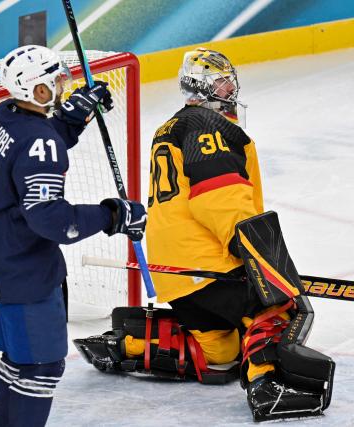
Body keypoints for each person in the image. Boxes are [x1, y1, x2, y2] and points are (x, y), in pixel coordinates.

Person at [74, 48, 334, 422]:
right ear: (204, 86)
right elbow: (219, 197)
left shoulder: (171, 126)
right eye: (224, 82)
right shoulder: (208, 126)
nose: (232, 89)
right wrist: (252, 251)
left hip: (174, 272)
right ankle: (269, 387)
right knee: (278, 308)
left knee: (221, 354)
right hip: (207, 261)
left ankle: (129, 345)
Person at [0, 45, 147, 427]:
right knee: (40, 367)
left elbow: (32, 144)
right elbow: (52, 221)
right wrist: (113, 215)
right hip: (22, 271)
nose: (63, 86)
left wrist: (72, 119)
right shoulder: (38, 142)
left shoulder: (1, 114)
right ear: (37, 92)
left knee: (19, 360)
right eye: (55, 83)